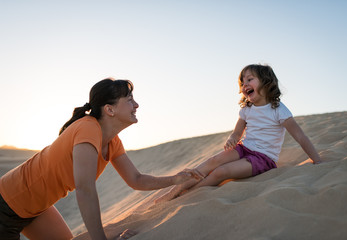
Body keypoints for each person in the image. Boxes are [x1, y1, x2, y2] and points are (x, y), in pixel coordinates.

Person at [0, 78, 200, 240]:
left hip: (37, 208)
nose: (136, 104)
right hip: (6, 203)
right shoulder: (88, 128)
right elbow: (85, 189)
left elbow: (136, 180)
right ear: (109, 109)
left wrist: (175, 179)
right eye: (129, 99)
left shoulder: (113, 142)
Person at [155, 64, 322, 203]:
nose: (244, 85)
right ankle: (174, 190)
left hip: (263, 158)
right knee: (213, 161)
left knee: (221, 172)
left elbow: (300, 137)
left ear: (266, 82)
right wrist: (232, 139)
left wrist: (317, 160)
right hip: (243, 149)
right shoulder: (247, 109)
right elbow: (236, 133)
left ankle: (188, 195)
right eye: (242, 82)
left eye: (250, 79)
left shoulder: (278, 109)